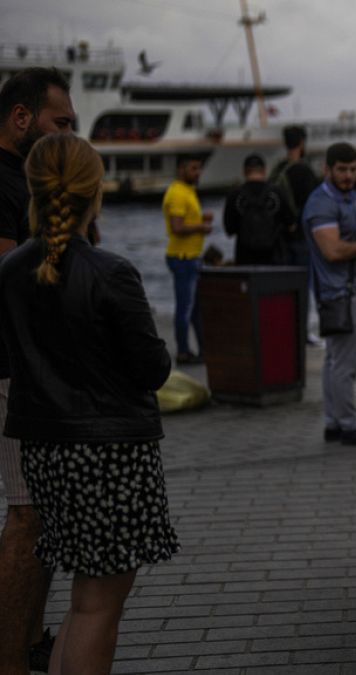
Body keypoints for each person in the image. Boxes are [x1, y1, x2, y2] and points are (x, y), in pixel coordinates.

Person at [0, 132, 177, 675]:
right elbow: (152, 368)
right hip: (110, 453)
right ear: (93, 193)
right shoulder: (110, 272)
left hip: (46, 451)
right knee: (99, 606)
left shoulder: (9, 272)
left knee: (81, 603)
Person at [0, 66, 75, 674]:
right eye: (61, 124)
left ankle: (28, 641)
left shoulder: (29, 180)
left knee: (41, 513)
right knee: (27, 516)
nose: (71, 136)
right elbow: (21, 272)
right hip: (11, 369)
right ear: (22, 118)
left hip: (37, 369)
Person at [302, 142, 356, 446]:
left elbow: (350, 239)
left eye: (352, 169)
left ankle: (333, 422)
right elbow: (333, 250)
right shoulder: (322, 203)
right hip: (340, 293)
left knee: (334, 360)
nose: (349, 175)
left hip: (341, 291)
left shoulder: (344, 198)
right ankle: (350, 425)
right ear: (327, 169)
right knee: (344, 365)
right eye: (342, 169)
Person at [162, 155, 213, 364]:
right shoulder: (177, 194)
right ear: (181, 169)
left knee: (195, 308)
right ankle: (183, 351)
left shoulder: (187, 190)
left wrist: (202, 221)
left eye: (199, 168)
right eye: (193, 168)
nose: (197, 173)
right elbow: (177, 227)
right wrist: (202, 226)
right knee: (185, 308)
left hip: (192, 257)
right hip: (183, 258)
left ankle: (203, 349)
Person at [222, 154, 296, 265]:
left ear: (244, 172)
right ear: (264, 171)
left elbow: (229, 231)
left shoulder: (234, 195)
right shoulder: (277, 192)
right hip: (273, 257)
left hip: (244, 257)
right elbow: (291, 225)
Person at [269, 124, 319, 267]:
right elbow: (313, 206)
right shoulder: (305, 171)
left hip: (277, 239)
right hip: (301, 238)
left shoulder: (277, 170)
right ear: (302, 143)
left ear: (285, 143)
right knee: (302, 284)